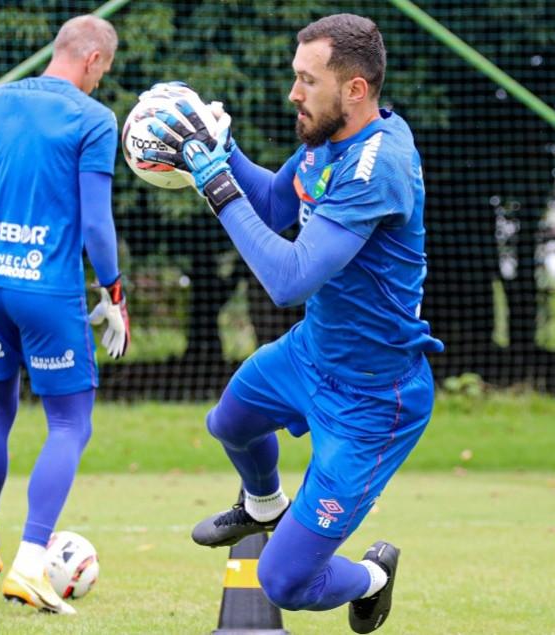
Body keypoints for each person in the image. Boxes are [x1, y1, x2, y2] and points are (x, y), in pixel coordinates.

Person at [145, 13, 443, 633]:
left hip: (373, 399)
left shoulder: (375, 167)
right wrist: (223, 153)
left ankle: (374, 576)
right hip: (312, 354)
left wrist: (216, 186)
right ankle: (262, 503)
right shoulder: (329, 140)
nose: (293, 94)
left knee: (284, 582)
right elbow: (279, 202)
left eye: (307, 81)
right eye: (295, 77)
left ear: (355, 89)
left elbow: (289, 280)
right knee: (229, 421)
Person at [0, 14, 129, 615]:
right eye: (104, 72)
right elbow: (95, 223)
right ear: (93, 61)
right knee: (70, 424)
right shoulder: (92, 119)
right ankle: (29, 564)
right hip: (46, 292)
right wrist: (114, 293)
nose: (100, 83)